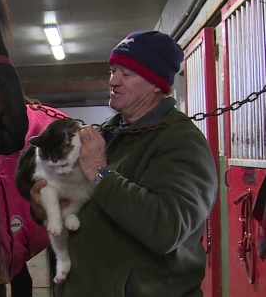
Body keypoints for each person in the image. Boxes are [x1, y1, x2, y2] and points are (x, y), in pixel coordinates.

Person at [30, 30, 218, 297]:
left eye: (126, 75)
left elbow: (166, 230)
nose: (113, 81)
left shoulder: (182, 142)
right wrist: (44, 208)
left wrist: (99, 172)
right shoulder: (107, 132)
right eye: (113, 71)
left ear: (156, 84)